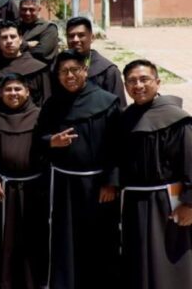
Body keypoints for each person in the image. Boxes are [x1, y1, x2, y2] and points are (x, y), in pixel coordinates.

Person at [35, 50, 121, 289]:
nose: (69, 76)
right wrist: (51, 141)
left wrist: (110, 182)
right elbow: (38, 139)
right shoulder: (53, 105)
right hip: (63, 185)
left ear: (85, 70)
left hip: (98, 186)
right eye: (63, 72)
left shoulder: (106, 101)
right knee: (65, 239)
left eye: (74, 70)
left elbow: (117, 146)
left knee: (98, 239)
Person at [118, 59, 192, 289]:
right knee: (136, 259)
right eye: (131, 81)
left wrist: (189, 203)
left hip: (167, 201)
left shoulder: (177, 119)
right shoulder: (125, 118)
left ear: (157, 82)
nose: (138, 85)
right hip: (133, 201)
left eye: (144, 79)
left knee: (169, 261)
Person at [0, 74, 47, 289]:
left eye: (18, 89)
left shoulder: (40, 115)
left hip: (33, 186)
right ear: (1, 93)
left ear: (27, 92)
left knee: (32, 235)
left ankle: (32, 281)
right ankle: (5, 281)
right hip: (3, 187)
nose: (13, 94)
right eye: (8, 89)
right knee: (4, 237)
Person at [0, 21, 51, 108]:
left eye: (13, 37)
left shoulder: (38, 69)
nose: (9, 41)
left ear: (20, 40)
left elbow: (47, 101)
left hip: (32, 119)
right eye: (4, 37)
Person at [66, 16, 127, 107]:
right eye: (71, 36)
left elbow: (119, 108)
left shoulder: (108, 71)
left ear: (92, 38)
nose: (75, 40)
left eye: (81, 35)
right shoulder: (57, 68)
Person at [18, 0, 59, 64]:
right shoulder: (15, 27)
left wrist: (18, 47)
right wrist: (27, 44)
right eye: (24, 9)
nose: (27, 13)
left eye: (31, 10)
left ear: (39, 9)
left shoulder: (49, 28)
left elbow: (40, 52)